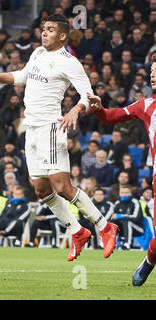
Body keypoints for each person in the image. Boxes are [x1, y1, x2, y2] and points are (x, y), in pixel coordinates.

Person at [0, 13, 117, 262]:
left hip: (51, 128)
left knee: (63, 187)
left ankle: (104, 226)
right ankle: (77, 231)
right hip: (30, 129)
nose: (44, 32)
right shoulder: (37, 53)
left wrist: (75, 109)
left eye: (51, 29)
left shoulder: (69, 62)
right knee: (41, 189)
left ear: (63, 35)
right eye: (44, 28)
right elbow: (22, 76)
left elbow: (89, 94)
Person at [87, 55, 156, 285]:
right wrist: (99, 108)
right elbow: (110, 117)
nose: (153, 75)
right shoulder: (145, 105)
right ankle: (149, 261)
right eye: (152, 70)